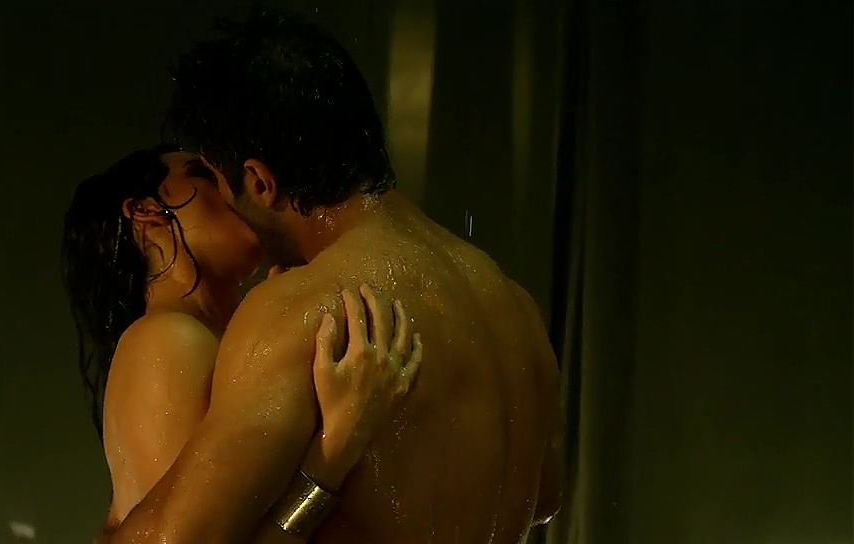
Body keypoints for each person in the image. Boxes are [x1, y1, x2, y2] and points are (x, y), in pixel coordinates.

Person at [104, 12, 565, 544]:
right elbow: (546, 497)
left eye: (219, 180)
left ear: (259, 181)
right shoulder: (513, 305)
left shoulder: (308, 308)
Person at [61, 144, 425, 543]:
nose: (230, 186)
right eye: (204, 174)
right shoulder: (165, 339)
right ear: (146, 211)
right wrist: (334, 451)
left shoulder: (214, 335)